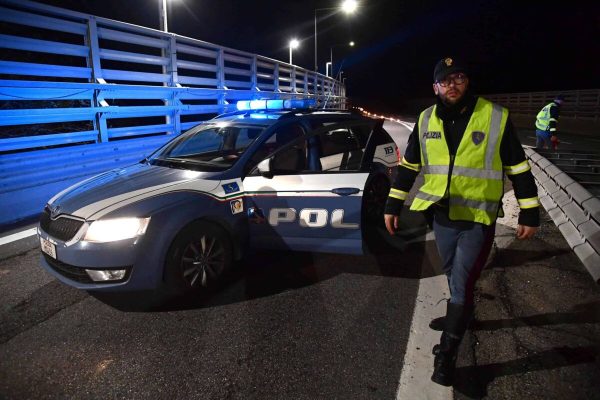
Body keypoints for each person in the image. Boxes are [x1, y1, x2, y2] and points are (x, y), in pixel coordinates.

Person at [384, 57, 540, 387]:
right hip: (441, 216)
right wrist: (392, 205)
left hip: (477, 218)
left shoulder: (494, 117)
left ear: (466, 82)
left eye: (458, 78)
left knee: (464, 281)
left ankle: (446, 355)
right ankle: (459, 311)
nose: (451, 85)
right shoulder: (426, 119)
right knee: (454, 274)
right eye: (444, 80)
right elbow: (409, 168)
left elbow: (518, 168)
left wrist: (529, 211)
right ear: (435, 87)